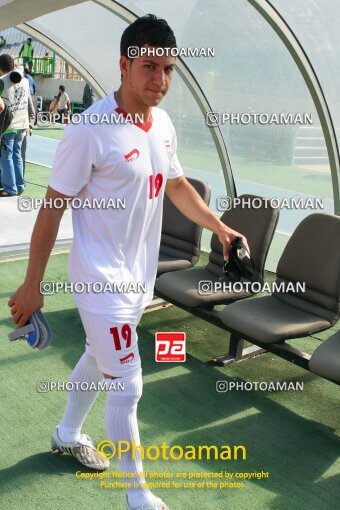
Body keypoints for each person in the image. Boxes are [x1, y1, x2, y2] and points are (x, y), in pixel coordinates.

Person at [8, 15, 248, 510]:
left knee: (100, 358)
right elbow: (51, 209)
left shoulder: (161, 124)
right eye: (148, 67)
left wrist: (219, 228)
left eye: (167, 69)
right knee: (129, 384)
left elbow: (176, 185)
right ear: (123, 65)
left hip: (138, 277)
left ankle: (66, 431)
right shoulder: (89, 130)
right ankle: (137, 495)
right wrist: (32, 285)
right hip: (99, 280)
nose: (159, 79)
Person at [0, 54, 29, 197]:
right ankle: (19, 185)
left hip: (8, 125)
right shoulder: (25, 81)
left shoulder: (2, 82)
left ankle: (10, 188)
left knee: (6, 156)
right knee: (17, 155)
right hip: (22, 124)